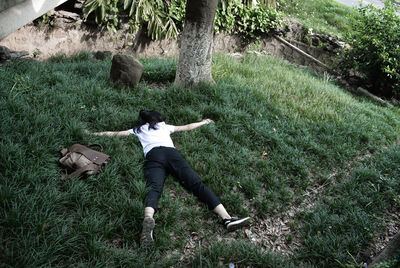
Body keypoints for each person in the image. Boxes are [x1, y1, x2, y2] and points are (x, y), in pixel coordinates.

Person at [87, 110, 250, 248]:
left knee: (154, 187)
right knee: (196, 184)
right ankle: (227, 218)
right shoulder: (164, 127)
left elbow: (114, 134)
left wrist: (91, 134)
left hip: (153, 155)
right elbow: (187, 127)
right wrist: (204, 122)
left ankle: (148, 218)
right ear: (157, 119)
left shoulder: (138, 130)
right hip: (171, 154)